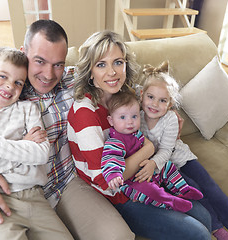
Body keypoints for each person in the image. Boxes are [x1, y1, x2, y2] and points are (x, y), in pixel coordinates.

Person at [0, 20, 134, 240]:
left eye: (58, 64)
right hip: (14, 186)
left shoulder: (74, 80)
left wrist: (159, 110)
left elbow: (116, 80)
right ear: (24, 53)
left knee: (118, 236)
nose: (49, 74)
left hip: (66, 184)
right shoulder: (5, 83)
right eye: (39, 61)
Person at [67, 29, 212, 240]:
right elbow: (106, 180)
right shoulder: (85, 112)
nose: (112, 72)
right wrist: (149, 149)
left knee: (204, 216)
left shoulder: (128, 94)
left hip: (146, 178)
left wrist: (169, 115)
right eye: (101, 64)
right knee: (198, 234)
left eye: (118, 62)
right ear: (90, 72)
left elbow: (158, 103)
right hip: (119, 195)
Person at [0, 47, 72, 239]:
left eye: (18, 82)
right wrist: (22, 146)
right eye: (2, 76)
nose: (10, 86)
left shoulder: (28, 109)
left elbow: (40, 155)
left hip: (35, 199)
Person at [139, 61, 228, 240]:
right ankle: (218, 230)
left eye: (162, 100)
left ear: (170, 103)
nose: (154, 104)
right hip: (166, 170)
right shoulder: (138, 116)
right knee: (194, 192)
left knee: (211, 187)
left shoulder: (170, 118)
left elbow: (166, 150)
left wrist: (152, 163)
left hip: (179, 158)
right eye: (150, 97)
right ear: (141, 95)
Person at [101, 90, 203, 213]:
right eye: (122, 117)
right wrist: (113, 175)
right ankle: (170, 202)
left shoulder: (136, 134)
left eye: (134, 116)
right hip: (133, 182)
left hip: (148, 171)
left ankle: (183, 189)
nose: (130, 122)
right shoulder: (115, 142)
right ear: (111, 121)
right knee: (149, 191)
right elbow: (110, 159)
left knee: (168, 165)